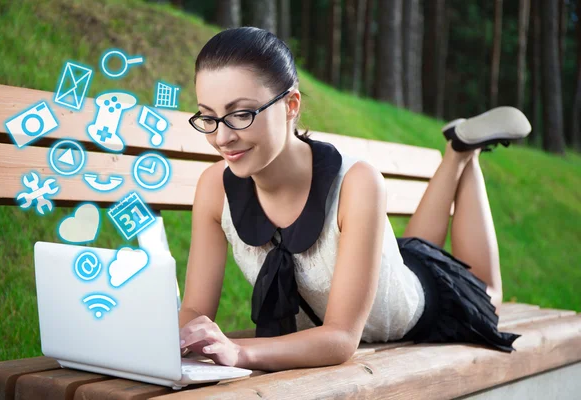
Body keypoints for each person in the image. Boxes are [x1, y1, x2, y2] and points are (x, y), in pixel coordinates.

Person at [177, 27, 527, 372]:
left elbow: (341, 339)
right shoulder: (214, 188)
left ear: (290, 105)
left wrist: (239, 351)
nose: (222, 137)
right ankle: (457, 150)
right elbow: (194, 309)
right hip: (386, 268)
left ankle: (464, 153)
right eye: (208, 117)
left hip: (422, 302)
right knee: (408, 252)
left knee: (488, 293)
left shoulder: (357, 183)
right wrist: (174, 339)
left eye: (241, 114)